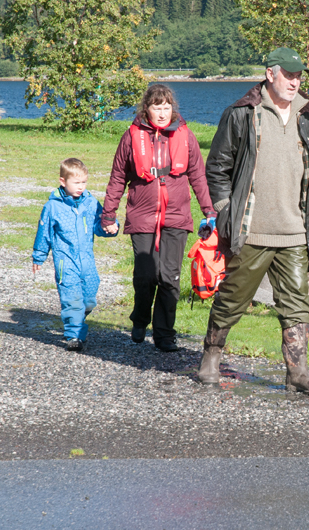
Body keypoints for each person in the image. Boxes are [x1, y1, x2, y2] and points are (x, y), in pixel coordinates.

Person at [197, 47, 309, 394]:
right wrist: (225, 209)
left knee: (297, 305)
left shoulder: (307, 114)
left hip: (295, 231)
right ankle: (210, 357)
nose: (295, 82)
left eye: (299, 76)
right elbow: (217, 167)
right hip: (251, 231)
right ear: (270, 74)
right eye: (289, 75)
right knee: (232, 299)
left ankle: (297, 373)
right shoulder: (242, 113)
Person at [100, 84, 216, 352]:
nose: (162, 113)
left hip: (176, 216)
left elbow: (198, 176)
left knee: (169, 277)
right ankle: (140, 318)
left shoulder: (186, 135)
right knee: (146, 275)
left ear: (172, 108)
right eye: (156, 107)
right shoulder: (131, 136)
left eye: (166, 107)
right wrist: (109, 214)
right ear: (146, 109)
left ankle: (164, 334)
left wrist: (209, 211)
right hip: (142, 215)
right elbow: (117, 178)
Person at [33, 158, 118, 352]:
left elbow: (99, 224)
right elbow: (44, 233)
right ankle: (74, 335)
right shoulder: (52, 207)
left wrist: (110, 227)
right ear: (63, 181)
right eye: (76, 182)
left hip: (87, 261)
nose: (81, 187)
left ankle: (78, 318)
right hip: (65, 261)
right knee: (71, 298)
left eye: (84, 182)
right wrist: (39, 255)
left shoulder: (90, 202)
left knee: (89, 299)